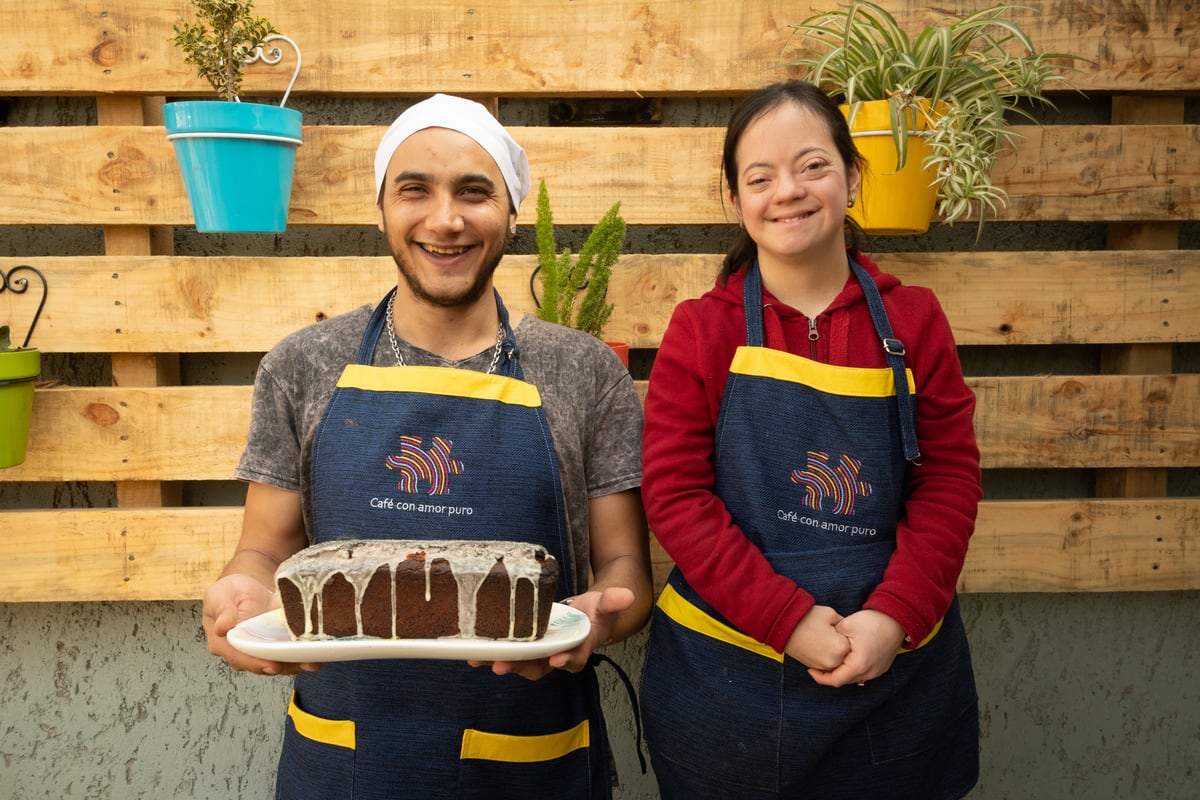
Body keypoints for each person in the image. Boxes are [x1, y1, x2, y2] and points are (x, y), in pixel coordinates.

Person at [201, 93, 652, 800]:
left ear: (510, 212)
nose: (446, 219)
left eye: (475, 192)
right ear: (381, 209)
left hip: (533, 760)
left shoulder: (583, 371)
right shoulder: (304, 366)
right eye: (415, 190)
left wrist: (601, 619)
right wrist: (245, 593)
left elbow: (626, 567)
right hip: (347, 762)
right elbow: (262, 549)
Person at [638, 80, 982, 798]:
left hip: (895, 683)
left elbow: (948, 480)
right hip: (726, 689)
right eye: (759, 178)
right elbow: (676, 497)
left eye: (812, 166)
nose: (787, 191)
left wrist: (896, 616)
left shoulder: (915, 321)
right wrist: (786, 619)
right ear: (735, 201)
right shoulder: (703, 331)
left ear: (853, 178)